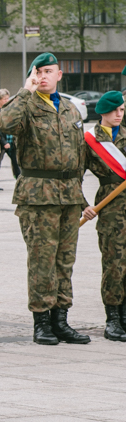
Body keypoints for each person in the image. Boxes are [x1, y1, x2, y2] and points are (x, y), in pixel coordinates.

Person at [0, 53, 89, 345]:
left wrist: (81, 196)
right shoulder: (26, 104)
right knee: (41, 261)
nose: (44, 77)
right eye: (39, 72)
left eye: (49, 71)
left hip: (69, 195)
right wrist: (26, 90)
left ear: (60, 74)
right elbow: (4, 124)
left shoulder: (72, 110)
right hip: (38, 194)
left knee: (65, 261)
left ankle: (61, 320)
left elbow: (79, 156)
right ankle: (42, 322)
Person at [81, 91, 126, 341]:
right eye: (114, 111)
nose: (119, 115)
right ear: (102, 113)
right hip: (111, 209)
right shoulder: (90, 139)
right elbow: (75, 174)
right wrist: (82, 204)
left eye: (122, 110)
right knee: (114, 264)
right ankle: (113, 320)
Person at [0, 89, 19, 179]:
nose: (7, 100)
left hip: (11, 139)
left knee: (16, 161)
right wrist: (4, 142)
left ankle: (18, 177)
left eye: (7, 98)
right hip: (2, 140)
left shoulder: (9, 109)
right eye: (4, 99)